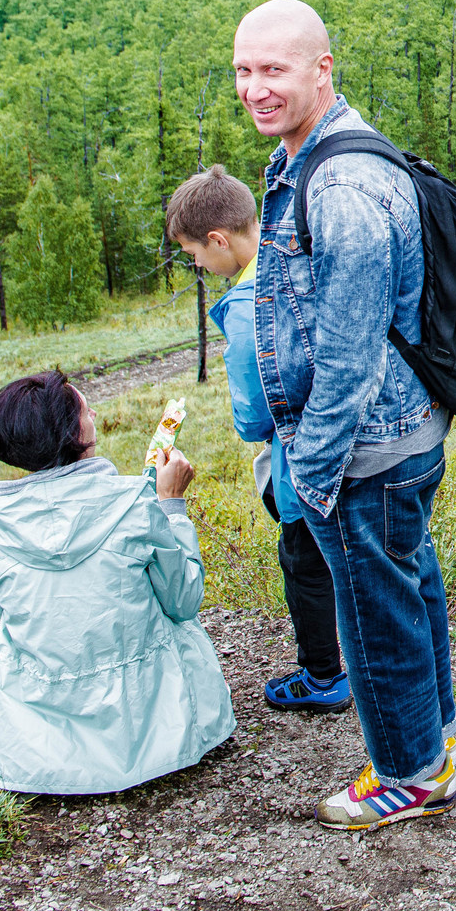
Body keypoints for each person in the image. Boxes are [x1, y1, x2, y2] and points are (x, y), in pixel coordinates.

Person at [234, 0, 456, 829]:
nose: (256, 88)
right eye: (244, 71)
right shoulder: (318, 152)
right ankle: (431, 745)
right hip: (400, 430)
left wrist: (314, 469)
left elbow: (351, 351)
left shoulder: (342, 186)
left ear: (321, 68)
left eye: (275, 70)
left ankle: (408, 772)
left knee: (373, 608)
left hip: (366, 444)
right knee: (409, 585)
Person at [0, 371, 235, 795]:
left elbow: (8, 611)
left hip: (42, 750)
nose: (94, 412)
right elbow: (184, 601)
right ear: (76, 434)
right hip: (155, 728)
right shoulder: (134, 503)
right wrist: (172, 507)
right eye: (86, 409)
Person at [167, 163, 349, 713]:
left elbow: (253, 417)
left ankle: (323, 677)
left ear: (219, 239)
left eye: (197, 254)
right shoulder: (299, 250)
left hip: (302, 461)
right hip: (356, 438)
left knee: (304, 562)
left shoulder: (248, 309)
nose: (198, 264)